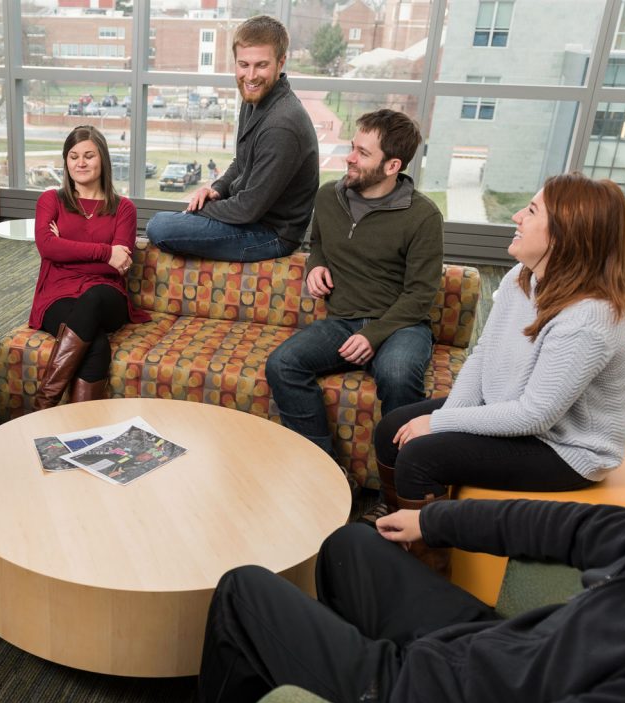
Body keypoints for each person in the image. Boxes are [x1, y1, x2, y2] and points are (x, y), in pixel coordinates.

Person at [139, 339, 625, 703]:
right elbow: (563, 526)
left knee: (245, 590)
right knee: (351, 544)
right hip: (485, 648)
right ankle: (329, 661)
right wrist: (433, 523)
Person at [367, 173, 625, 525]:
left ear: (564, 233)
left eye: (530, 210)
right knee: (392, 427)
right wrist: (448, 419)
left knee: (421, 457)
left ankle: (422, 556)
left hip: (565, 449)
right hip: (511, 408)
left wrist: (440, 422)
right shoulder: (522, 276)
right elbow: (484, 354)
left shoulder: (590, 318)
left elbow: (534, 416)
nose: (516, 217)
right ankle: (396, 518)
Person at [265, 109, 444, 460]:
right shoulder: (328, 197)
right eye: (353, 147)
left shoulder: (423, 216)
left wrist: (373, 335)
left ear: (392, 166)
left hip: (400, 327)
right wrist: (316, 266)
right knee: (282, 365)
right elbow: (317, 244)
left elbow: (421, 295)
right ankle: (324, 468)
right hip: (342, 321)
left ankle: (399, 488)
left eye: (363, 153)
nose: (349, 157)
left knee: (397, 374)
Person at [144, 15, 318, 262]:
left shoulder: (283, 125)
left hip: (271, 235)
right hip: (250, 219)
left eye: (261, 65)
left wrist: (203, 211)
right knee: (174, 220)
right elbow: (242, 161)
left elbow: (248, 207)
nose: (250, 75)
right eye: (243, 64)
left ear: (281, 62)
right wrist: (216, 190)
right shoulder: (255, 99)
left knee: (160, 226)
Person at [29, 125, 146, 408]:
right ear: (66, 161)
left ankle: (42, 406)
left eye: (89, 156)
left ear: (102, 159)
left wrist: (66, 248)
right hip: (58, 295)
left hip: (107, 296)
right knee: (96, 345)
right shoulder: (50, 200)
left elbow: (118, 266)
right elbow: (47, 247)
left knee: (93, 298)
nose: (80, 163)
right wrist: (104, 252)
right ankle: (84, 426)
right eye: (73, 156)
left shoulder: (123, 208)